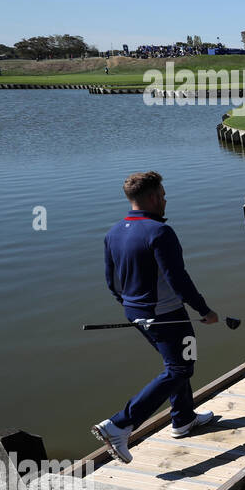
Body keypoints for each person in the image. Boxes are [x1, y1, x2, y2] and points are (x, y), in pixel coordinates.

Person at [91, 171, 219, 464]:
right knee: (180, 368)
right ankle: (120, 424)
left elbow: (112, 282)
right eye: (161, 194)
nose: (165, 199)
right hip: (167, 314)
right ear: (150, 198)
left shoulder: (113, 232)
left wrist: (131, 306)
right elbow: (179, 280)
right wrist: (204, 310)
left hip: (136, 313)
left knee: (176, 363)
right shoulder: (160, 232)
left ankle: (183, 419)